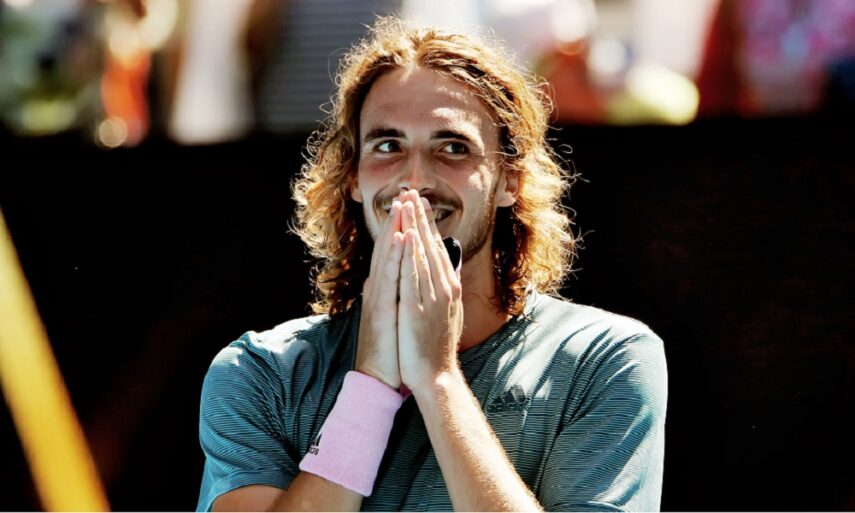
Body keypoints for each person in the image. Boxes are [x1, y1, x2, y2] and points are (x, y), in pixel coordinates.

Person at [196, 16, 667, 512]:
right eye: (387, 146)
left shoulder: (606, 358)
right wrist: (371, 386)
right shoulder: (263, 370)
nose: (415, 179)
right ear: (353, 177)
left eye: (453, 147)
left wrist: (439, 379)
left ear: (509, 180)